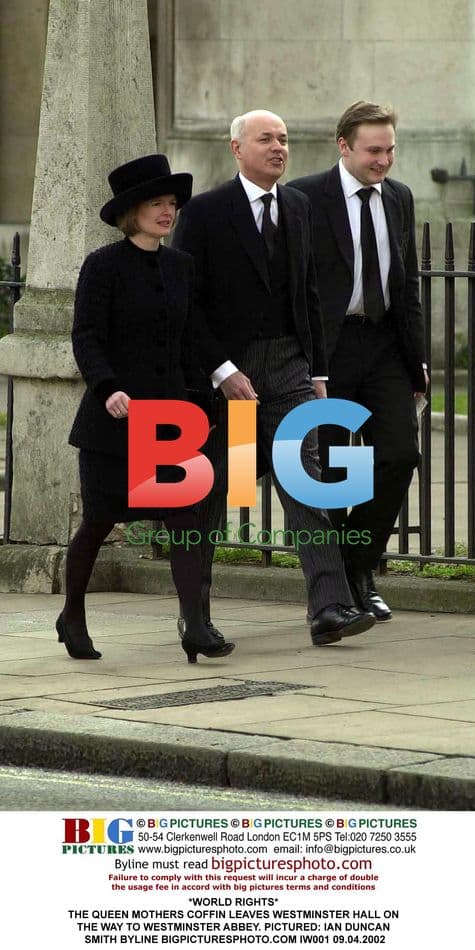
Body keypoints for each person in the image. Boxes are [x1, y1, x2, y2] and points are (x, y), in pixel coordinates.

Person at [172, 109, 376, 647]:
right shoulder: (206, 212)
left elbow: (308, 295)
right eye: (266, 139)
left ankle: (329, 607)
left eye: (284, 139)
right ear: (237, 147)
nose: (278, 147)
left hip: (288, 364)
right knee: (215, 487)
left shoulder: (300, 207)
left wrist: (319, 374)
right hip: (229, 372)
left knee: (303, 472)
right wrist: (222, 371)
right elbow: (187, 304)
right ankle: (196, 616)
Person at [58, 154, 235, 664]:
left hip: (170, 423)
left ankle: (196, 626)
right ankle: (72, 614)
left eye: (172, 204)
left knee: (183, 520)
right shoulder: (102, 266)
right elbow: (86, 335)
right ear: (131, 212)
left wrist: (225, 377)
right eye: (156, 204)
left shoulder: (182, 266)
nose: (168, 212)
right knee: (99, 522)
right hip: (112, 424)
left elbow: (193, 336)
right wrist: (107, 386)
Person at [288, 101, 429, 621]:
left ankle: (356, 565)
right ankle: (340, 586)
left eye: (390, 149)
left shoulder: (399, 197)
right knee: (330, 471)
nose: (384, 160)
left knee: (396, 455)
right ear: (343, 145)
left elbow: (406, 283)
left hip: (385, 347)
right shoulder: (303, 196)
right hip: (327, 350)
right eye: (374, 150)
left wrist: (417, 363)